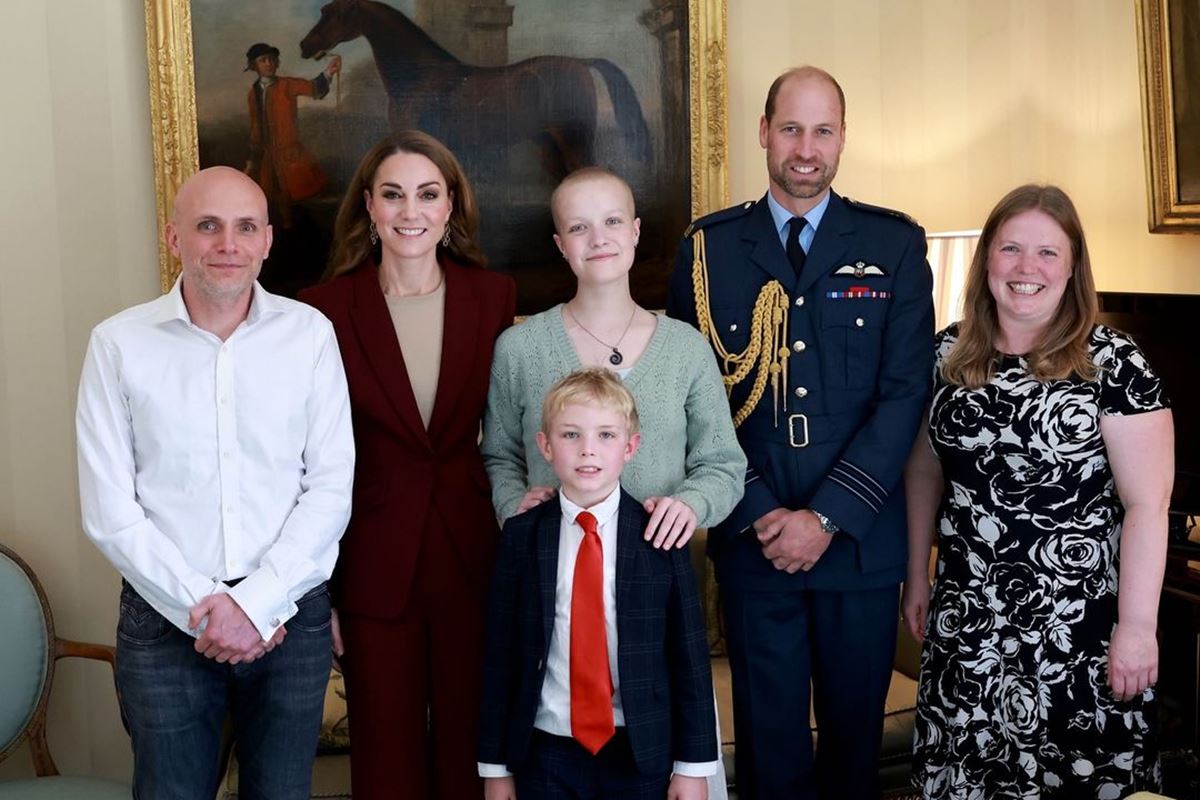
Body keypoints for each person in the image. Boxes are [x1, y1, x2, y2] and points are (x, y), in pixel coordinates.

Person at [667, 66, 935, 800]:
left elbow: (905, 395)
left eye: (823, 130)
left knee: (855, 751)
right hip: (756, 547)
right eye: (791, 128)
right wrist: (761, 515)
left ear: (843, 137)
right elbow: (692, 401)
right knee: (768, 748)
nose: (806, 147)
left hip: (858, 546)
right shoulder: (705, 252)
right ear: (763, 133)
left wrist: (825, 517)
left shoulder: (895, 245)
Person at [76, 166, 355, 800]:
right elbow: (109, 510)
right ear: (175, 237)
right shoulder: (118, 344)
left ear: (266, 241)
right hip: (163, 620)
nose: (227, 244)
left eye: (244, 227)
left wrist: (257, 603)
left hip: (290, 617)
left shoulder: (310, 336)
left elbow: (332, 485)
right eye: (208, 226)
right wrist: (207, 608)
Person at [902, 184, 1173, 798]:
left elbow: (1148, 505)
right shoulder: (947, 352)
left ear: (1073, 266)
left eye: (1048, 253)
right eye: (1011, 249)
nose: (1027, 268)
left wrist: (1137, 626)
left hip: (1079, 627)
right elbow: (924, 468)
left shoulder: (1115, 362)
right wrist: (916, 573)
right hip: (968, 619)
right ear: (987, 261)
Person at [298, 130, 516, 800]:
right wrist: (316, 591)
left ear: (451, 207)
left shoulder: (495, 297)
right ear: (369, 206)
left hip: (470, 552)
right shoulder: (323, 311)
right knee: (385, 757)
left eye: (428, 193)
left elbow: (509, 433)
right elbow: (303, 460)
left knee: (469, 750)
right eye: (393, 194)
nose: (410, 210)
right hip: (368, 561)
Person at [478, 369, 718, 800]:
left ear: (630, 447)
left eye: (606, 435)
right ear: (546, 446)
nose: (588, 449)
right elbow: (500, 656)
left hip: (639, 749)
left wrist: (693, 767)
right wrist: (495, 768)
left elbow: (690, 657)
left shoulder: (660, 536)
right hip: (544, 748)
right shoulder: (522, 536)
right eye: (571, 434)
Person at [483, 166, 745, 547]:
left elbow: (723, 464)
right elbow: (498, 455)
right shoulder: (519, 348)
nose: (598, 239)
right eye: (578, 228)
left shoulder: (686, 348)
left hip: (657, 567)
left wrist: (691, 504)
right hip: (550, 562)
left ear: (635, 231)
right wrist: (511, 504)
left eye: (612, 221)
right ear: (560, 244)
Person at [244, 42, 342, 228]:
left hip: (290, 154)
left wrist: (329, 71)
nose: (268, 63)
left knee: (300, 195)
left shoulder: (287, 85)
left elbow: (314, 88)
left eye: (272, 59)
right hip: (266, 156)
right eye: (263, 60)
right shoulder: (253, 93)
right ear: (254, 65)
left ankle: (297, 232)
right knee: (269, 199)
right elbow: (256, 128)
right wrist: (252, 159)